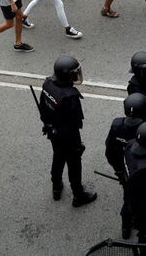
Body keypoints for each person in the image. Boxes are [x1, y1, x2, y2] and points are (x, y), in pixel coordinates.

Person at [37, 55, 98, 207]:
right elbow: (75, 123)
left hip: (52, 131)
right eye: (74, 73)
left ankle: (56, 187)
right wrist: (77, 146)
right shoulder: (70, 96)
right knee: (74, 165)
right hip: (68, 136)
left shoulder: (47, 84)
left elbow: (43, 108)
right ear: (67, 75)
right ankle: (78, 195)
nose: (76, 76)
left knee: (58, 157)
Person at [104, 93, 146, 239]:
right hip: (141, 173)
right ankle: (134, 224)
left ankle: (126, 226)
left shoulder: (117, 125)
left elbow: (109, 151)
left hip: (124, 171)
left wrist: (118, 170)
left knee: (128, 197)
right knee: (138, 200)